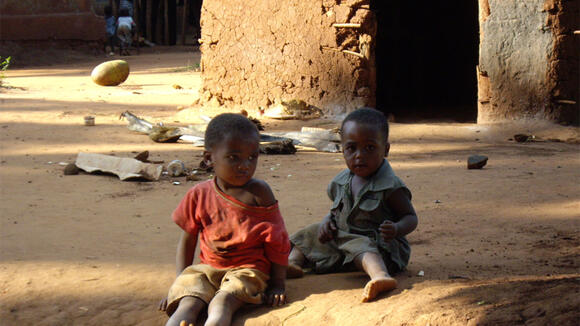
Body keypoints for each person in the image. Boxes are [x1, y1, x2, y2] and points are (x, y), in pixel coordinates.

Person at [159, 113, 290, 326]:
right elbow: (188, 240)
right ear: (209, 158)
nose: (245, 165)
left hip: (248, 270)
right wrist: (179, 285)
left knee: (222, 303)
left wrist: (278, 284)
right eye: (233, 157)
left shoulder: (259, 194)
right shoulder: (198, 194)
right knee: (188, 303)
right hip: (208, 268)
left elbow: (277, 241)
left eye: (252, 157)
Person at [288, 107, 418, 302]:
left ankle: (380, 276)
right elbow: (336, 211)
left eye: (370, 148)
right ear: (342, 149)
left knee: (359, 243)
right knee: (311, 232)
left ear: (386, 150)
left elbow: (411, 217)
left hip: (381, 249)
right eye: (351, 148)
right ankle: (293, 263)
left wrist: (397, 228)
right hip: (346, 240)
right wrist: (327, 222)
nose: (359, 155)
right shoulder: (341, 181)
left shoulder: (390, 186)